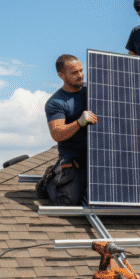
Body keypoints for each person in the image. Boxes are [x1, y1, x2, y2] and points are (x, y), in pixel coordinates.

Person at [38, 54, 96, 206]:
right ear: (61, 75)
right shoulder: (56, 102)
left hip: (96, 156)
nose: (80, 75)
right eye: (74, 72)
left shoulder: (95, 90)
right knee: (68, 202)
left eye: (81, 70)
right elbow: (57, 133)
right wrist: (79, 122)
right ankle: (49, 180)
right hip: (74, 158)